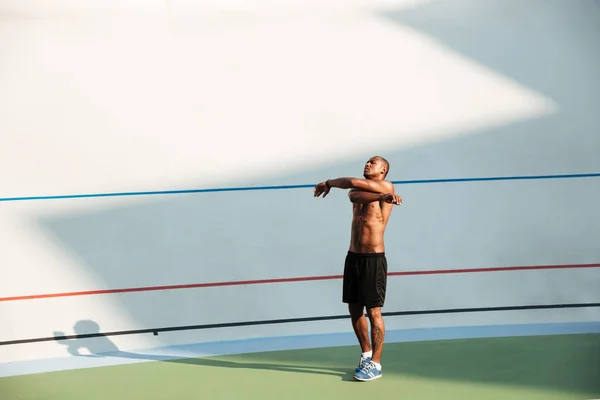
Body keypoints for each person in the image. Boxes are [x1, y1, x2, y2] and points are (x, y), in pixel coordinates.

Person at [313, 156, 402, 382]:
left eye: (374, 163)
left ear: (383, 171)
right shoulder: (359, 192)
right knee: (354, 310)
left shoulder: (387, 186)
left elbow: (353, 186)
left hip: (374, 259)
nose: (368, 164)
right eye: (367, 162)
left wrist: (384, 195)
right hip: (353, 257)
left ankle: (376, 364)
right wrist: (331, 183)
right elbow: (353, 191)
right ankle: (366, 353)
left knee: (374, 312)